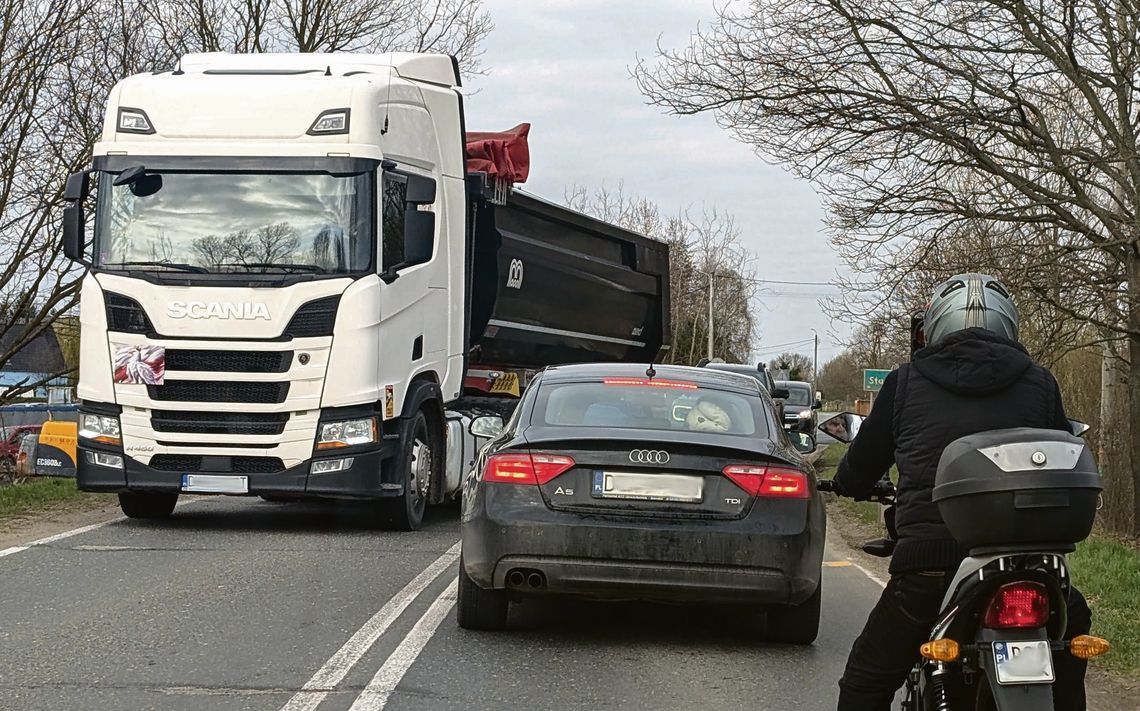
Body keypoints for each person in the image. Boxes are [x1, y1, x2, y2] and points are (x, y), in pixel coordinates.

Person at [831, 273, 1092, 711]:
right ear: (1009, 327)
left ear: (932, 329)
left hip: (931, 567)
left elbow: (859, 469)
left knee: (864, 681)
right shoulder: (1040, 383)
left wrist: (845, 482)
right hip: (1031, 566)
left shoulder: (906, 382)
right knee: (1071, 634)